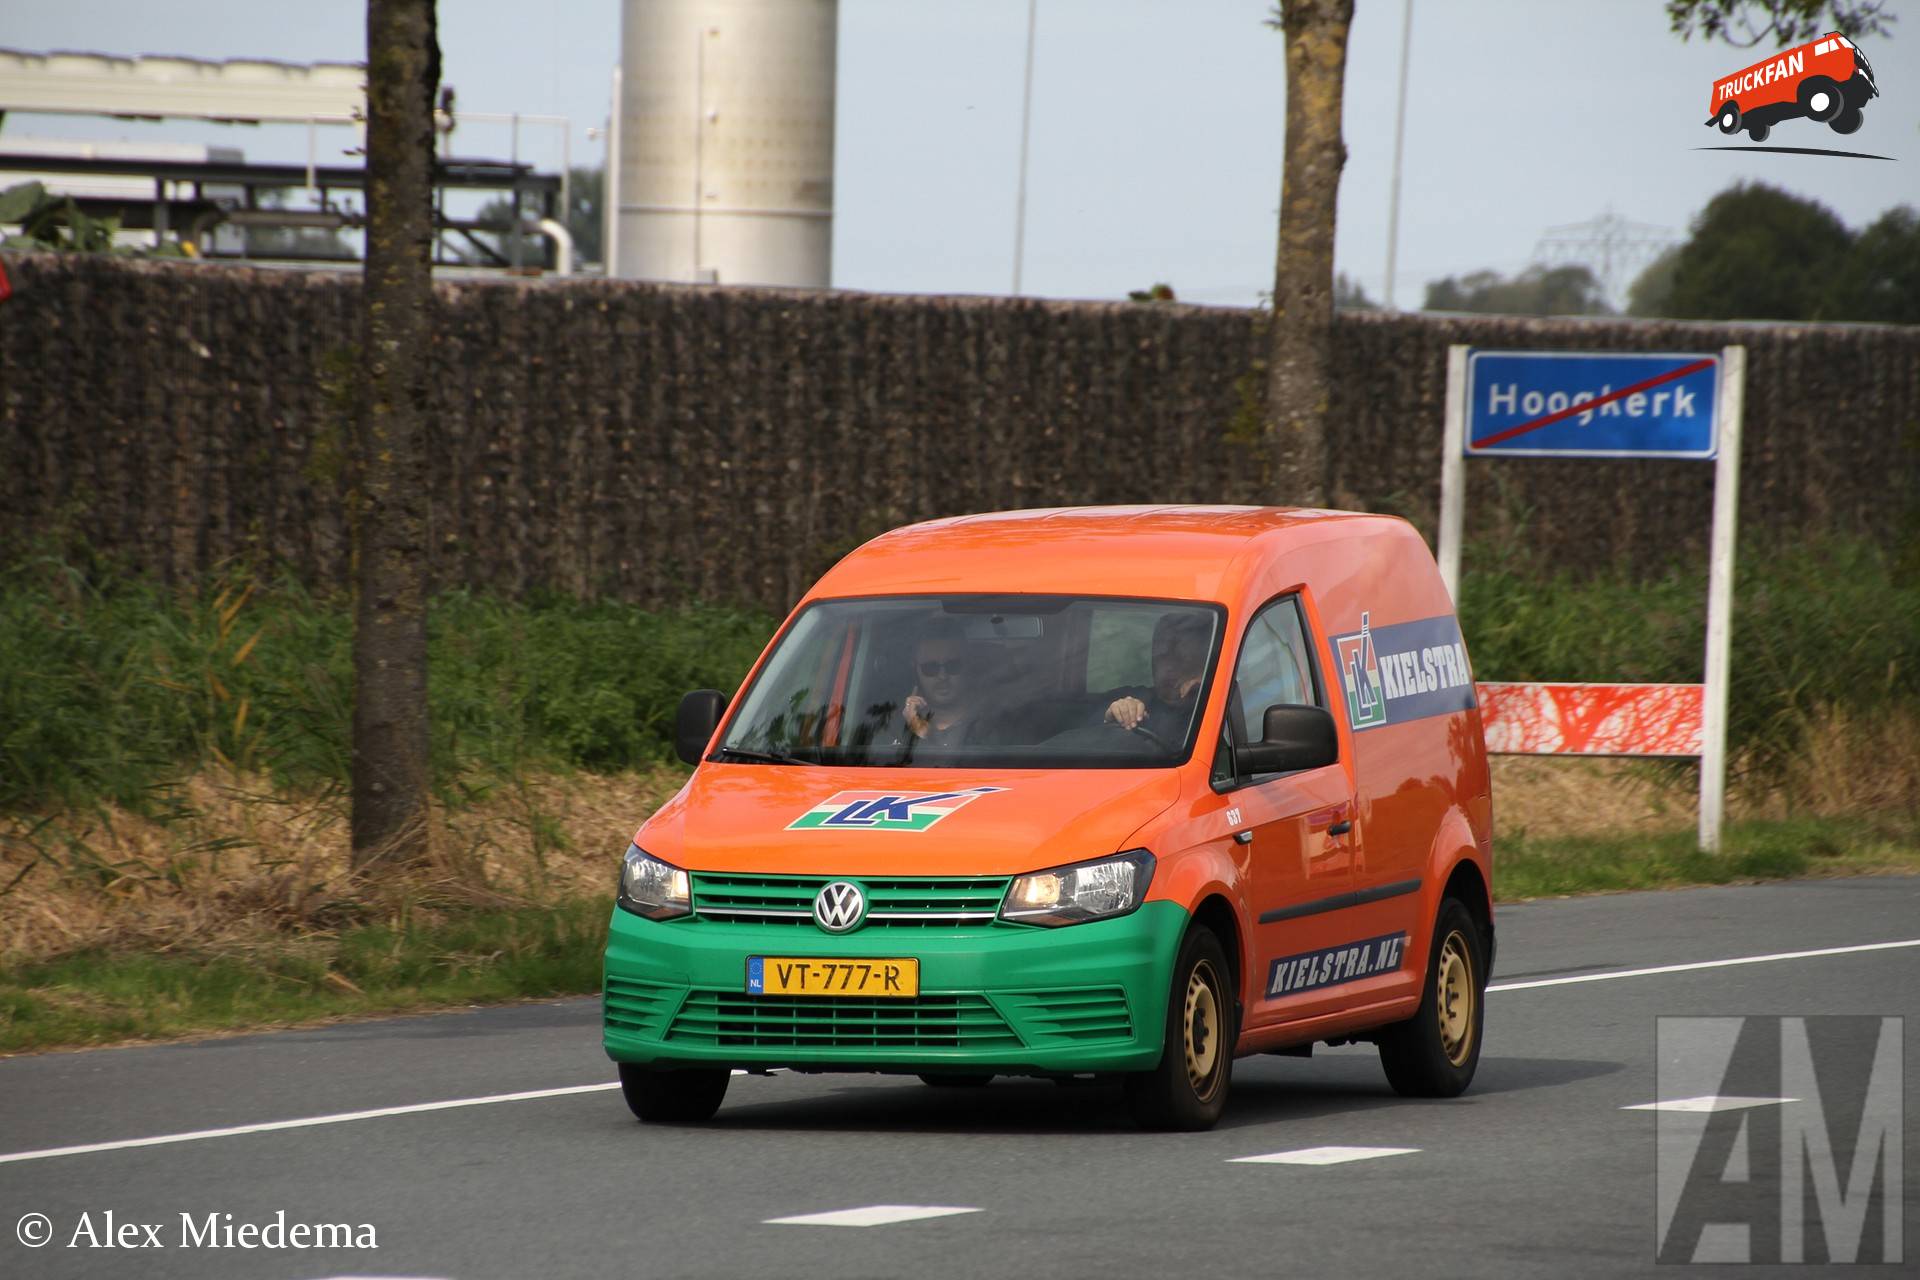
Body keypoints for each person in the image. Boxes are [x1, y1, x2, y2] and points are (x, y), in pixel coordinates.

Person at [1103, 612, 1211, 739]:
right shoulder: (1138, 699)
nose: (1170, 667)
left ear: (1203, 665)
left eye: (1181, 658)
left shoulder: (1216, 707)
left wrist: (1201, 694)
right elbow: (1081, 722)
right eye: (1163, 657)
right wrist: (1117, 716)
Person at [897, 621, 982, 750]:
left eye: (952, 666)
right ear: (915, 669)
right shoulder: (893, 726)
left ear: (968, 664)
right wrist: (914, 732)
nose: (942, 676)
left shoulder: (995, 722)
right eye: (930, 668)